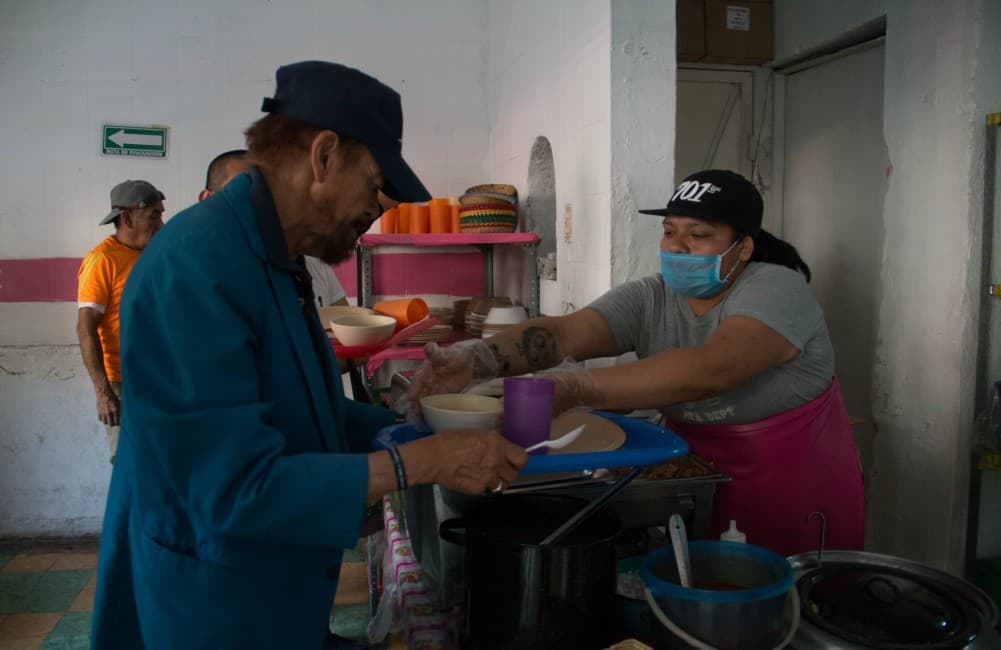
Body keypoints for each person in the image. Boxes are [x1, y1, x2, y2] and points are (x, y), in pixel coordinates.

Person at [90, 61, 526, 650]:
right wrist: (423, 462)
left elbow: (303, 412)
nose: (380, 208)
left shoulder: (277, 259)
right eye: (375, 185)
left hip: (273, 590)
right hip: (213, 602)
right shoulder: (194, 269)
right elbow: (235, 489)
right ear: (323, 156)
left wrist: (415, 424)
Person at [408, 169, 865, 557]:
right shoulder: (652, 297)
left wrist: (578, 388)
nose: (678, 247)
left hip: (793, 493)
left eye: (700, 235)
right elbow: (567, 332)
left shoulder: (776, 288)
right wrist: (477, 358)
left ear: (742, 248)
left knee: (782, 611)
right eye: (670, 232)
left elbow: (713, 370)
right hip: (693, 480)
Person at [75, 180, 165, 462]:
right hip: (122, 383)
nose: (161, 223)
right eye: (153, 215)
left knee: (161, 460)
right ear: (126, 218)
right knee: (129, 464)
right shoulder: (102, 260)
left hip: (160, 377)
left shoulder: (153, 254)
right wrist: (103, 393)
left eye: (161, 214)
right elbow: (85, 327)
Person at [200, 149, 350, 309]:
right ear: (207, 199)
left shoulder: (310, 263)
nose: (259, 206)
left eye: (268, 196)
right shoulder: (193, 272)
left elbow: (345, 321)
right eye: (243, 192)